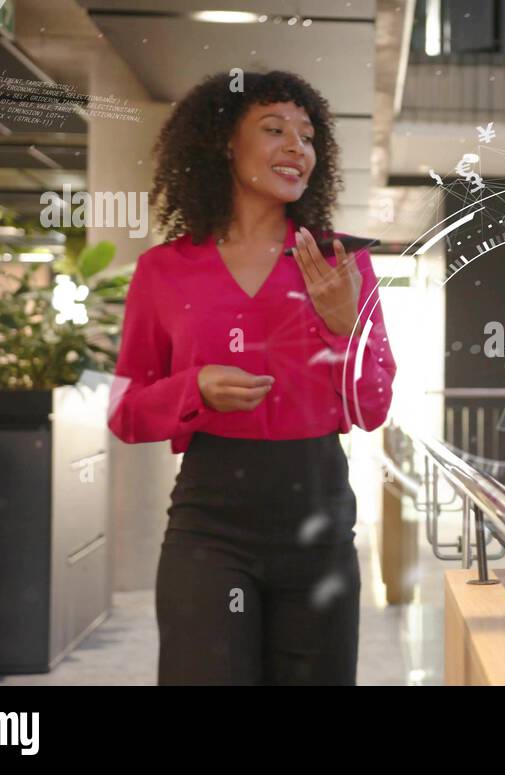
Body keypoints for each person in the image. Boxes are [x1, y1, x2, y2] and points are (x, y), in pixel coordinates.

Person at [107, 70, 396, 685]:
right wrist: (194, 388)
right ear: (223, 145)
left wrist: (347, 328)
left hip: (319, 524)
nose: (297, 146)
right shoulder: (165, 271)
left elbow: (372, 407)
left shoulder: (343, 262)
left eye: (308, 135)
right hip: (210, 528)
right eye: (274, 130)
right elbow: (125, 410)